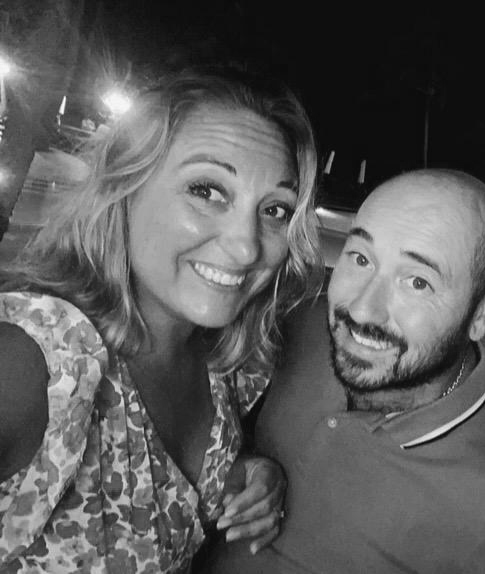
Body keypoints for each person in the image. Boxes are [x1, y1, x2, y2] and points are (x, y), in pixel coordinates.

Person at [0, 68, 323, 572]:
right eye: (207, 190)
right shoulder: (33, 359)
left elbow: (161, 490)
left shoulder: (228, 366)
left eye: (276, 210)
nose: (246, 247)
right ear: (124, 187)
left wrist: (252, 473)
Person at [204, 169, 485, 573]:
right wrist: (248, 463)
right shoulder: (302, 323)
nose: (362, 310)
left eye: (417, 282)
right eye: (361, 258)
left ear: (484, 313)